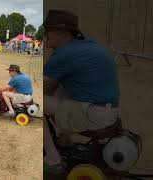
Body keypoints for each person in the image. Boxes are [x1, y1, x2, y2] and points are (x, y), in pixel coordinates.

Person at [43, 9, 120, 174]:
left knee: (36, 102)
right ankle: (65, 140)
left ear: (62, 32)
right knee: (59, 89)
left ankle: (53, 160)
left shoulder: (62, 55)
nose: (45, 35)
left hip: (94, 114)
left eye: (47, 30)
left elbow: (41, 88)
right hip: (108, 110)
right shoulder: (88, 45)